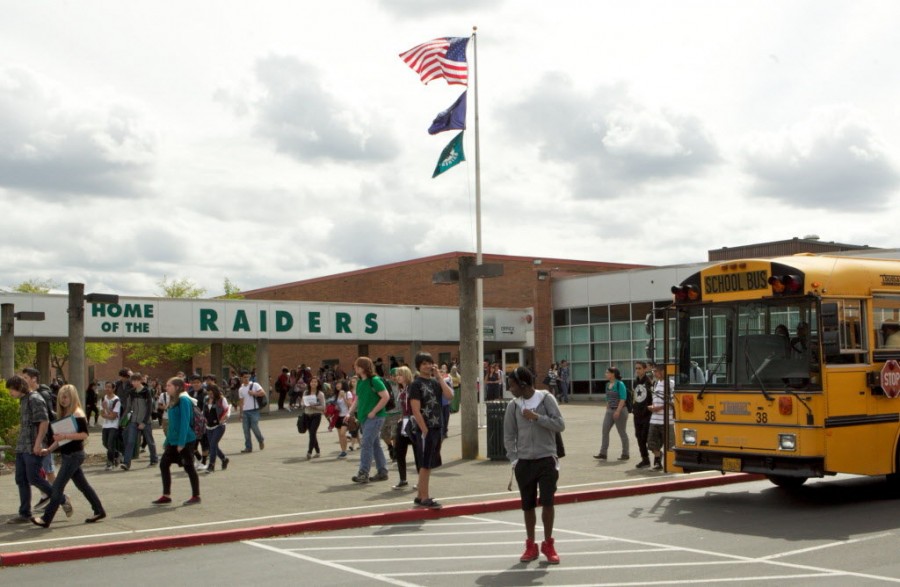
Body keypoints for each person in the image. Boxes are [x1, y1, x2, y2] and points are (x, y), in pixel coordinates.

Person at [504, 365, 564, 565]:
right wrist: (514, 459)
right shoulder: (513, 405)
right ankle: (531, 544)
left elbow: (560, 424)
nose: (510, 389)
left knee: (548, 502)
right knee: (527, 506)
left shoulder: (546, 399)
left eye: (512, 385)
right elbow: (509, 435)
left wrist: (537, 417)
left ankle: (548, 543)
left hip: (546, 458)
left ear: (523, 384)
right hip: (524, 462)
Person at [31, 385, 106, 527]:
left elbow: (84, 434)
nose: (62, 400)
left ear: (72, 397)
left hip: (74, 455)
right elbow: (61, 440)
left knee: (57, 488)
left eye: (65, 397)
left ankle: (46, 519)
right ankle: (99, 510)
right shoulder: (66, 414)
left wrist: (65, 435)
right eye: (61, 397)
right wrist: (49, 449)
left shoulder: (77, 413)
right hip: (69, 455)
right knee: (83, 486)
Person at [5, 375, 58, 524]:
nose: (10, 393)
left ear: (19, 387)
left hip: (32, 445)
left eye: (11, 390)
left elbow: (44, 421)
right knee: (21, 479)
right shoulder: (23, 400)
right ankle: (25, 513)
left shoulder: (35, 399)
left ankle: (60, 497)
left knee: (33, 477)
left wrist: (38, 443)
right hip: (22, 445)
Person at [408, 352, 454, 508]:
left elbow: (449, 396)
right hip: (426, 428)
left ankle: (420, 495)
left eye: (430, 363)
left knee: (429, 462)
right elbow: (415, 409)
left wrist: (439, 377)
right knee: (425, 463)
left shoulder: (435, 382)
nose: (427, 366)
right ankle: (424, 497)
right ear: (419, 366)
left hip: (437, 426)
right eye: (424, 364)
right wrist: (424, 429)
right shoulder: (416, 384)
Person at [152, 377, 201, 506]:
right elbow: (172, 424)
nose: (166, 388)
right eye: (166, 385)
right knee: (163, 464)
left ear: (177, 387)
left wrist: (181, 442)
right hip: (172, 441)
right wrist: (167, 441)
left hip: (185, 440)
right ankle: (166, 495)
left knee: (189, 467)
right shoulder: (172, 400)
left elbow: (185, 422)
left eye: (169, 385)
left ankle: (196, 495)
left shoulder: (184, 400)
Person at [345, 356, 390, 484]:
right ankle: (382, 471)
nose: (355, 368)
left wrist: (374, 411)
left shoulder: (374, 380)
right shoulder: (360, 382)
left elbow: (385, 397)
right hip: (365, 418)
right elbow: (358, 399)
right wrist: (349, 413)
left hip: (375, 417)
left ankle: (363, 472)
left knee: (366, 444)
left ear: (363, 368)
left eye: (357, 366)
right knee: (374, 444)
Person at [121, 373, 158, 471]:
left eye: (136, 381)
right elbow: (128, 407)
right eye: (132, 381)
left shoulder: (147, 391)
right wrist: (122, 419)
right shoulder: (131, 392)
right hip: (134, 420)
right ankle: (126, 463)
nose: (134, 383)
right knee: (130, 441)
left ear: (140, 380)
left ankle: (154, 459)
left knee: (150, 441)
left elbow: (149, 407)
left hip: (145, 421)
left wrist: (144, 422)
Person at [594, 366, 630, 461]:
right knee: (605, 431)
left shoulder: (620, 384)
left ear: (613, 374)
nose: (605, 374)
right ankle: (603, 453)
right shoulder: (607, 385)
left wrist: (618, 411)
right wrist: (608, 408)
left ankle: (625, 453)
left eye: (607, 372)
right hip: (610, 410)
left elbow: (623, 398)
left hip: (620, 411)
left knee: (622, 432)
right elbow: (607, 398)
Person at [392, 366, 416, 490]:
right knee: (399, 451)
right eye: (397, 375)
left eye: (400, 375)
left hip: (414, 421)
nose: (397, 377)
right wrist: (401, 418)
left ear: (406, 375)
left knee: (418, 452)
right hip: (404, 421)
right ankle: (403, 479)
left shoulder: (413, 388)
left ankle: (420, 480)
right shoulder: (401, 389)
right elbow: (403, 407)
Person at [648, 364, 675, 471]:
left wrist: (659, 408)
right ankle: (658, 460)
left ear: (663, 371)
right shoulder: (656, 383)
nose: (655, 373)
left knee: (670, 444)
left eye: (657, 371)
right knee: (652, 443)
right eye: (654, 371)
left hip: (667, 420)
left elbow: (673, 402)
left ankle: (670, 464)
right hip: (654, 420)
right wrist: (652, 407)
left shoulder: (671, 384)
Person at [203, 383, 230, 473]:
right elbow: (205, 411)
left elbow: (227, 410)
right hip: (209, 426)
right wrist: (204, 419)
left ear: (215, 392)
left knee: (213, 444)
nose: (210, 395)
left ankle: (211, 465)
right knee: (213, 446)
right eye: (208, 393)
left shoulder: (221, 399)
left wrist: (224, 417)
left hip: (219, 426)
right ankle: (224, 459)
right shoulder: (206, 399)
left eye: (211, 393)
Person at [631, 361, 654, 469]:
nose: (637, 370)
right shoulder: (635, 382)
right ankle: (645, 459)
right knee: (638, 436)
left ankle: (657, 456)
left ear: (645, 369)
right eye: (636, 368)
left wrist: (648, 411)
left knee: (645, 437)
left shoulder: (648, 382)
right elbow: (635, 397)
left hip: (647, 414)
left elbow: (651, 398)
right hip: (637, 414)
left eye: (639, 368)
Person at [237, 370, 266, 453]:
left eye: (247, 377)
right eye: (244, 377)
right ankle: (248, 447)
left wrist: (254, 393)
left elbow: (263, 393)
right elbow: (241, 402)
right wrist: (241, 413)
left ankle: (260, 440)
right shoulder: (241, 389)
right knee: (246, 430)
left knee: (254, 426)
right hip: (245, 412)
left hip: (254, 410)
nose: (246, 379)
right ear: (241, 378)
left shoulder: (255, 385)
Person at [302, 376, 326, 460]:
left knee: (312, 432)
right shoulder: (306, 392)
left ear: (318, 383)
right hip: (307, 414)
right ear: (309, 383)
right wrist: (304, 404)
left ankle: (309, 452)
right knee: (312, 434)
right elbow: (302, 404)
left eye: (315, 382)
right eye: (312, 382)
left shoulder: (320, 394)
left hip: (316, 415)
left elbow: (323, 407)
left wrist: (315, 406)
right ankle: (318, 451)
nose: (313, 383)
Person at [100, 382, 121, 470]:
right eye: (106, 387)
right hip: (105, 425)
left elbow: (113, 416)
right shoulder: (103, 398)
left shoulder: (116, 400)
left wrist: (106, 409)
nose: (107, 389)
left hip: (114, 425)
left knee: (110, 444)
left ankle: (110, 462)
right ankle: (117, 454)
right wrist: (106, 413)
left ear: (113, 389)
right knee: (105, 443)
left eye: (109, 387)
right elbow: (102, 413)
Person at [332, 379, 351, 458]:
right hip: (338, 416)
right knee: (340, 435)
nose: (337, 385)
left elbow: (350, 405)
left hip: (346, 416)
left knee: (343, 433)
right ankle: (343, 451)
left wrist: (343, 397)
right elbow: (336, 405)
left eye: (339, 384)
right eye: (336, 384)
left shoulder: (348, 393)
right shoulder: (336, 395)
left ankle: (345, 450)